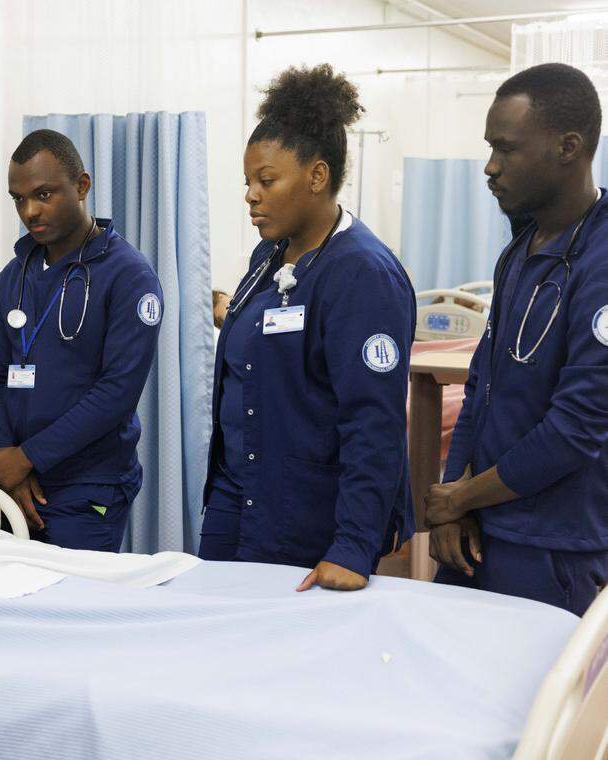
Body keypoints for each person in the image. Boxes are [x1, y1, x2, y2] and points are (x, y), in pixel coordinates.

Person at [200, 64, 416, 592]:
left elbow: (373, 421)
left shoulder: (363, 274)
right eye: (248, 182)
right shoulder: (269, 255)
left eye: (266, 180)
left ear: (317, 176)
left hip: (307, 516)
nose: (251, 195)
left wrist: (353, 546)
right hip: (239, 496)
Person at [425, 63, 608, 616]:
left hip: (553, 545)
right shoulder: (521, 249)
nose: (489, 166)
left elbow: (576, 428)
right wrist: (454, 500)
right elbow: (482, 383)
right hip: (481, 525)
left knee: (529, 702)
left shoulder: (600, 260)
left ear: (568, 147)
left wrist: (459, 497)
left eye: (506, 149)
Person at [0, 129, 164, 552]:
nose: (30, 211)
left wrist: (27, 458)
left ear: (81, 186)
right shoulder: (15, 275)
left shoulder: (128, 275)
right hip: (16, 483)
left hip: (89, 485)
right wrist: (4, 458)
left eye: (44, 195)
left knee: (76, 608)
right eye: (18, 199)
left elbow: (116, 392)